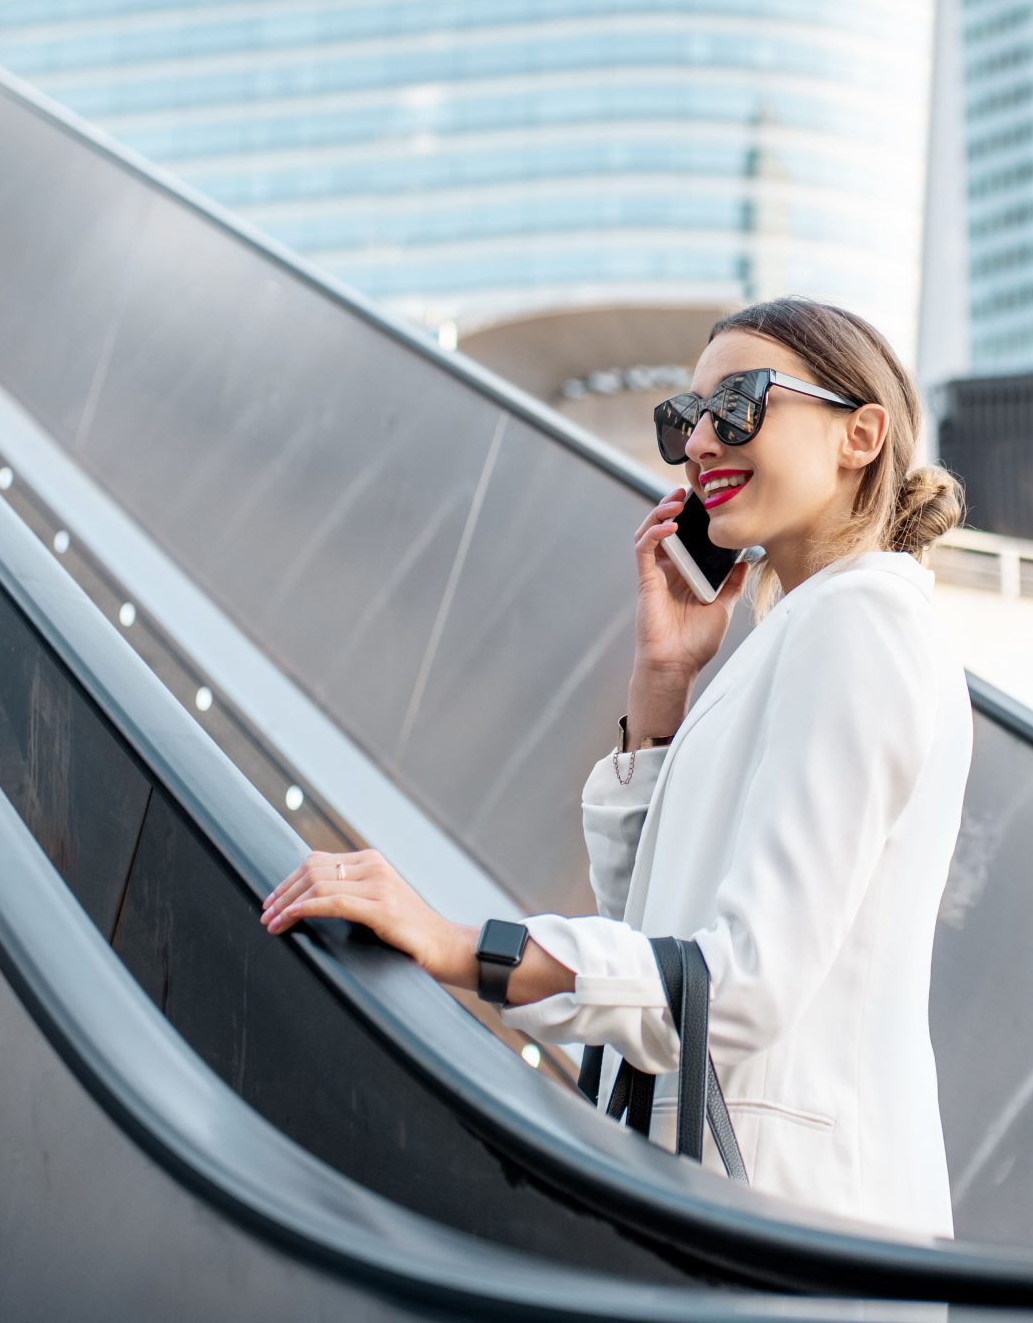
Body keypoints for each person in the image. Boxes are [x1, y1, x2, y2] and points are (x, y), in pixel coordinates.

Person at [262, 296, 974, 1238]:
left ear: (862, 433)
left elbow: (740, 982)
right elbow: (650, 921)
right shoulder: (795, 634)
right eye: (686, 421)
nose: (700, 447)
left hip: (793, 1223)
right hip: (750, 1214)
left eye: (739, 404)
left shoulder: (860, 622)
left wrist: (462, 944)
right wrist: (666, 675)